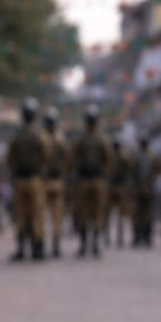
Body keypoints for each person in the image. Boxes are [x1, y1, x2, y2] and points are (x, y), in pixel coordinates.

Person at [6, 98, 50, 262]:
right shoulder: (40, 136)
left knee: (21, 215)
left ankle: (21, 249)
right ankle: (37, 249)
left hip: (20, 180)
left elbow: (10, 159)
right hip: (35, 180)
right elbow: (46, 157)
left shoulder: (16, 136)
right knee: (36, 214)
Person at [70, 105, 113, 258]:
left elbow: (73, 159)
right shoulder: (100, 139)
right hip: (92, 180)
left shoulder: (85, 139)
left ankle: (90, 244)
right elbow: (108, 160)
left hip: (89, 180)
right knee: (90, 213)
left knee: (91, 213)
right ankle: (88, 244)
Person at [42, 107, 68, 258]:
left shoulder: (41, 138)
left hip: (44, 182)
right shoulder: (61, 140)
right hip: (57, 181)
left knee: (42, 216)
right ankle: (56, 246)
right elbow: (68, 159)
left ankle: (40, 245)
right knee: (57, 217)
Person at [107, 135, 135, 247]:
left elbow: (130, 169)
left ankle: (118, 236)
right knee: (110, 213)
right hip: (113, 186)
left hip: (119, 186)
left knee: (120, 214)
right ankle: (109, 236)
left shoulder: (122, 156)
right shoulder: (114, 156)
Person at [132, 135, 157, 247]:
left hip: (148, 189)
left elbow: (156, 172)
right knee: (138, 213)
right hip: (139, 189)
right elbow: (132, 172)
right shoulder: (137, 156)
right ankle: (137, 236)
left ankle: (147, 236)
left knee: (147, 214)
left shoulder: (152, 156)